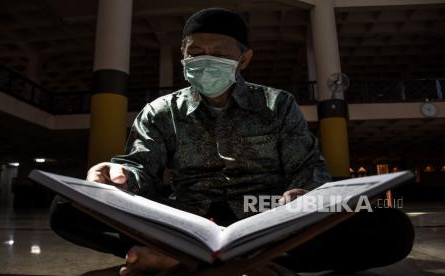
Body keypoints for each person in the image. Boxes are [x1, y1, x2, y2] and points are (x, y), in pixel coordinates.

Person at [50, 7, 414, 276]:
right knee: (65, 207)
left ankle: (183, 259)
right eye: (195, 52)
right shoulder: (161, 110)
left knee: (389, 224)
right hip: (186, 216)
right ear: (183, 55)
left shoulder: (277, 104)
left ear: (243, 60)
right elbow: (140, 165)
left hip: (265, 214)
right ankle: (248, 263)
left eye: (220, 54)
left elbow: (308, 167)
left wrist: (302, 193)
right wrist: (120, 173)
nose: (205, 61)